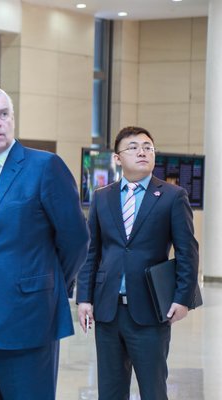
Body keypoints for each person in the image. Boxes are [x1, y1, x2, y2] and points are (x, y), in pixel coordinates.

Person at [0, 85, 89, 400]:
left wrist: (48, 284)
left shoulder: (44, 167)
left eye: (4, 114)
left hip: (28, 318)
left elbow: (76, 239)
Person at [76, 126, 199, 400]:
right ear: (118, 158)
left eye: (147, 147)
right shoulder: (102, 196)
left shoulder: (172, 196)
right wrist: (84, 298)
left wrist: (183, 298)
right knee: (110, 391)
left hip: (150, 311)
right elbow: (91, 251)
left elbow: (187, 251)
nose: (142, 151)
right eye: (133, 147)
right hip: (108, 311)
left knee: (153, 390)